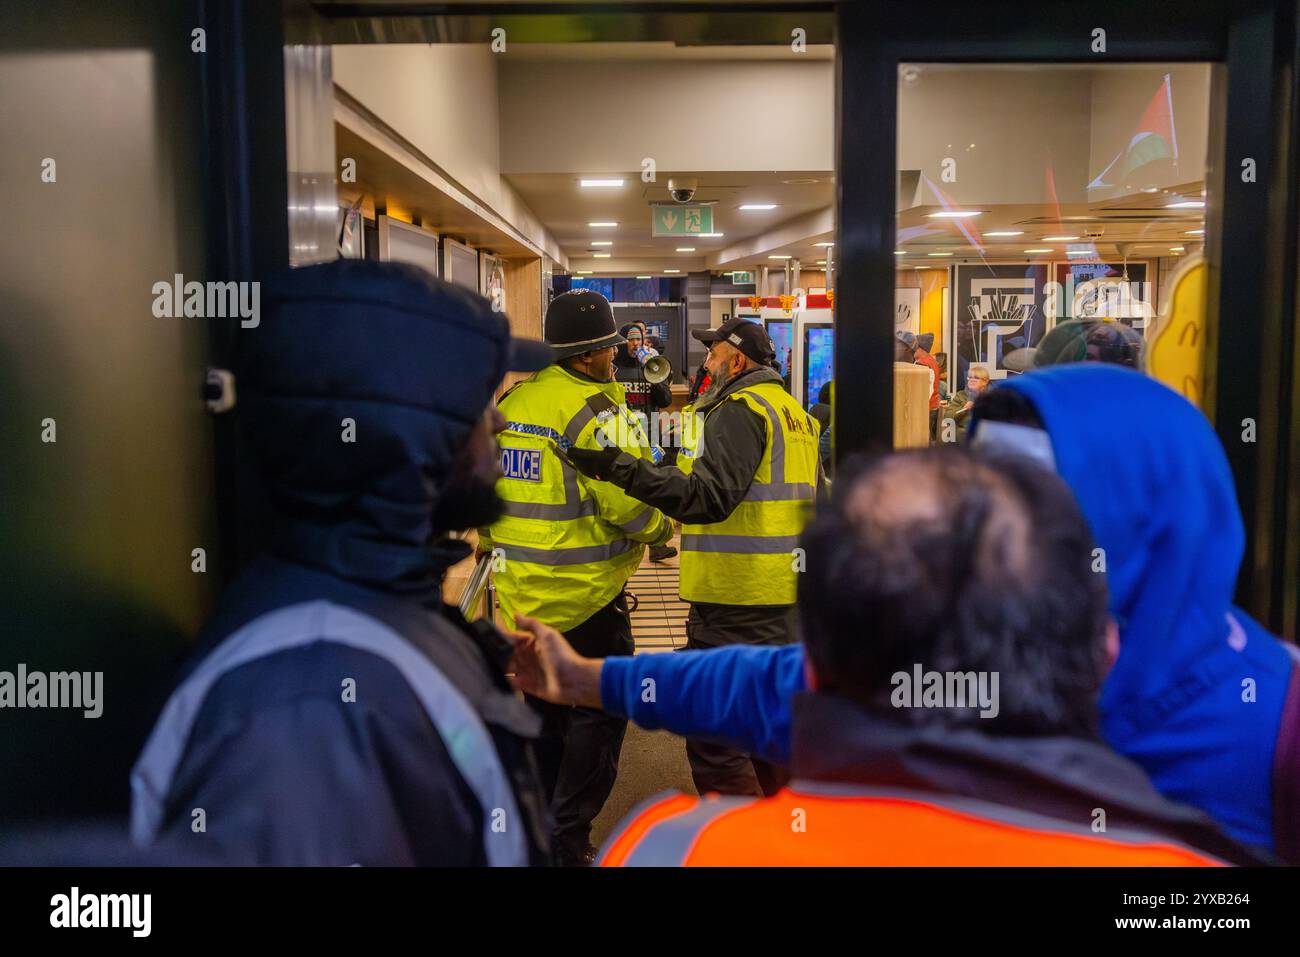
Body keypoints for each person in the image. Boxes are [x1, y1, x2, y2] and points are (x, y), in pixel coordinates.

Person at [517, 364, 1300, 862]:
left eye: (1022, 498)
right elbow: (759, 684)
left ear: (1139, 520)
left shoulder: (1279, 725)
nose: (975, 525)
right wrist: (590, 679)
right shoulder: (953, 659)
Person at [130, 259, 555, 866]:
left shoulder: (370, 608)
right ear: (404, 433)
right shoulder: (311, 705)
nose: (500, 419)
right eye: (475, 403)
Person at [565, 316, 821, 798]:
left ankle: (739, 847)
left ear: (737, 360)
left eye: (713, 353)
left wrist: (620, 469)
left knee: (716, 739)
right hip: (784, 601)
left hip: (736, 597)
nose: (706, 361)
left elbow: (708, 498)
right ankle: (784, 840)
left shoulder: (741, 408)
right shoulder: (795, 414)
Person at [479, 288, 673, 866]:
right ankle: (567, 840)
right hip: (587, 599)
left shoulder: (513, 402)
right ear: (587, 356)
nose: (616, 357)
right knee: (599, 715)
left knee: (541, 713)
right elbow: (629, 505)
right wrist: (663, 529)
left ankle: (534, 832)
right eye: (609, 349)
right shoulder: (598, 414)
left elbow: (485, 493)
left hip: (521, 598)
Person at [613, 323, 678, 563]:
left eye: (638, 340)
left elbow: (665, 400)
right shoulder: (615, 370)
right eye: (630, 340)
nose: (635, 344)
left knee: (653, 489)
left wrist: (654, 374)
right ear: (622, 343)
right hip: (622, 438)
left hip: (649, 437)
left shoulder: (650, 367)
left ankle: (658, 544)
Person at [943, 364, 990, 443]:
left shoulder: (992, 396)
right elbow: (947, 418)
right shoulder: (961, 395)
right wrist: (964, 408)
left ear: (985, 382)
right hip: (961, 438)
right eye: (970, 377)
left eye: (976, 378)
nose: (971, 380)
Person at [912, 331, 943, 440]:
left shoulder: (923, 364)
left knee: (923, 438)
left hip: (926, 408)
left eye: (913, 347)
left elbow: (925, 391)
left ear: (920, 348)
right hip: (931, 406)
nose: (911, 350)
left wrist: (917, 408)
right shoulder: (930, 361)